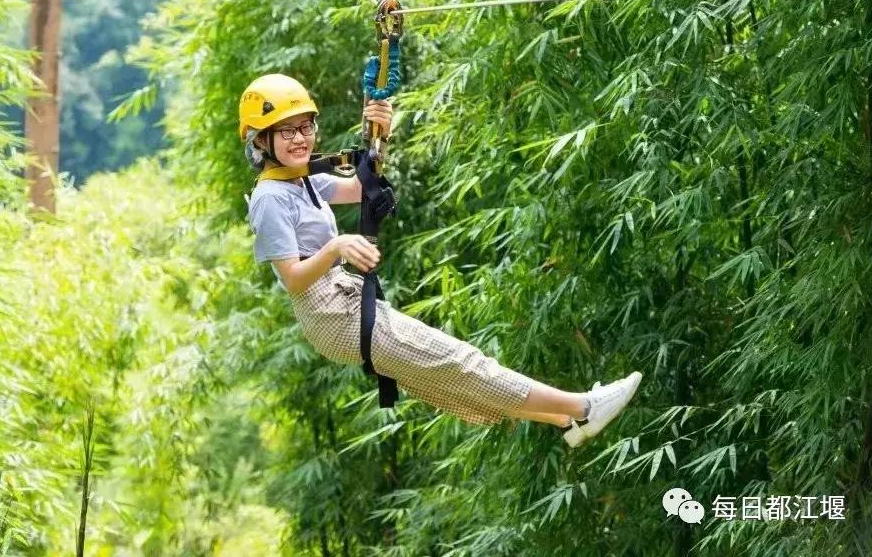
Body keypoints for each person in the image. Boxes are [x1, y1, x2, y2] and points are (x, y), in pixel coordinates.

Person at [240, 73, 641, 446]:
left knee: (446, 378)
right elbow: (292, 279)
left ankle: (565, 422)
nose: (301, 138)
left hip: (340, 304)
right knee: (458, 361)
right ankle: (585, 407)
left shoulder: (303, 179)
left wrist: (378, 132)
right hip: (330, 313)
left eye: (306, 126)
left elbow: (365, 188)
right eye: (287, 131)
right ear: (261, 141)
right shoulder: (270, 198)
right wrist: (336, 247)